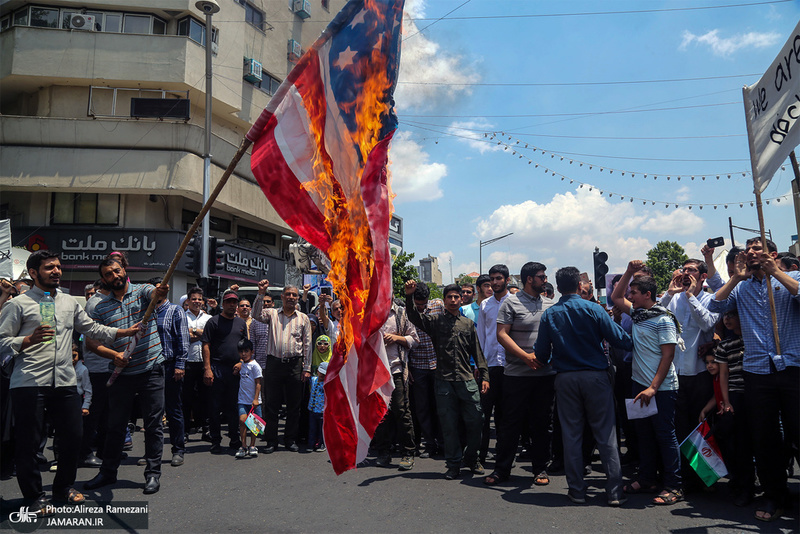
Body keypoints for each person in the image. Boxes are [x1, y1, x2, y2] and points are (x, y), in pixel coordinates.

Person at [0, 251, 139, 513]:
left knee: (74, 437)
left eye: (58, 267)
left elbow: (92, 329)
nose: (56, 271)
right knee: (29, 443)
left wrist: (123, 332)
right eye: (49, 267)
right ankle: (34, 496)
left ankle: (64, 488)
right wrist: (27, 340)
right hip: (29, 381)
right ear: (33, 273)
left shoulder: (68, 302)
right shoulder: (17, 304)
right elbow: (1, 343)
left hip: (65, 381)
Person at [706, 237, 799, 522]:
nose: (751, 252)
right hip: (757, 372)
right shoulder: (742, 288)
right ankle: (774, 496)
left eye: (757, 248)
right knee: (765, 439)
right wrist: (735, 278)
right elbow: (715, 304)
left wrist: (775, 272)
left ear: (771, 253)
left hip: (793, 368)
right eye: (749, 249)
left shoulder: (792, 276)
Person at [535, 267, 633, 506]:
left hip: (566, 378)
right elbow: (621, 340)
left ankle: (577, 490)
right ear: (580, 286)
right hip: (596, 376)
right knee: (607, 435)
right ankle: (614, 492)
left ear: (557, 288)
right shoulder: (595, 309)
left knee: (571, 435)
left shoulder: (550, 314)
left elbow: (541, 352)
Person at [84, 257, 169, 496]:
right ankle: (108, 472)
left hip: (151, 369)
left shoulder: (142, 292)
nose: (115, 276)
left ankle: (153, 474)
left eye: (117, 271)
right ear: (103, 280)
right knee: (115, 426)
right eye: (109, 274)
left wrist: (160, 292)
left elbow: (156, 295)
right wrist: (114, 355)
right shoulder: (99, 307)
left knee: (153, 424)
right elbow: (91, 343)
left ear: (125, 270)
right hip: (120, 374)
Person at [610, 261, 682, 506]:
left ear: (647, 295)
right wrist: (629, 272)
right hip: (638, 385)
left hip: (661, 389)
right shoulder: (639, 315)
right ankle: (648, 479)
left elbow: (668, 355)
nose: (629, 296)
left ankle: (674, 485)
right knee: (644, 435)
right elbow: (615, 296)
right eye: (630, 292)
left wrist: (653, 387)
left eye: (634, 292)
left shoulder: (663, 319)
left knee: (664, 435)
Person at [405, 280, 489, 480]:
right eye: (449, 297)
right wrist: (409, 296)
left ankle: (472, 457)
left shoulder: (468, 324)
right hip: (443, 381)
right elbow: (414, 317)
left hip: (467, 380)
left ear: (461, 300)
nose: (452, 300)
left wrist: (485, 375)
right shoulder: (435, 321)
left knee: (477, 420)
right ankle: (453, 464)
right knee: (449, 425)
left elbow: (477, 352)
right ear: (443, 301)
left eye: (456, 297)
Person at [485, 262, 554, 488]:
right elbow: (502, 335)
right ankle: (501, 469)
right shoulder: (510, 303)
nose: (545, 280)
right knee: (509, 425)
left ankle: (540, 468)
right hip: (515, 375)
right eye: (541, 277)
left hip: (544, 376)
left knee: (541, 424)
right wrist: (526, 357)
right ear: (529, 279)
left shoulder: (550, 304)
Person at [658, 259, 719, 491]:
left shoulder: (710, 298)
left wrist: (691, 296)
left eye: (691, 270)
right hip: (675, 372)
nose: (685, 274)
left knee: (700, 426)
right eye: (683, 270)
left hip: (700, 372)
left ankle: (703, 478)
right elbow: (654, 315)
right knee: (679, 426)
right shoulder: (673, 297)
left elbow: (707, 325)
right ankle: (682, 478)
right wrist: (671, 292)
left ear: (702, 276)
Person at [252, 280, 313, 453]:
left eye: (294, 295)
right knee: (272, 404)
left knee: (294, 406)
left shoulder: (303, 318)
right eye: (288, 294)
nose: (291, 298)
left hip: (295, 365)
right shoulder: (271, 314)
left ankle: (290, 439)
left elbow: (307, 344)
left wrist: (307, 368)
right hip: (274, 364)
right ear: (282, 297)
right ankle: (271, 441)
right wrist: (261, 293)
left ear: (298, 297)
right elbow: (255, 314)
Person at [373, 300, 419, 470]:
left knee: (401, 410)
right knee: (380, 414)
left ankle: (408, 452)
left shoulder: (401, 313)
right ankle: (383, 452)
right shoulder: (369, 313)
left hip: (396, 370)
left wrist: (397, 338)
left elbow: (414, 340)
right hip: (375, 373)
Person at [150, 277, 190, 467]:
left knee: (173, 410)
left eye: (161, 288)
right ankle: (152, 454)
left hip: (170, 366)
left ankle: (178, 449)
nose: (158, 291)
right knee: (152, 414)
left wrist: (180, 365)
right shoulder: (146, 312)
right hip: (149, 367)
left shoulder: (175, 310)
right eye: (154, 289)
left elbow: (183, 340)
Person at [202, 290, 248, 454]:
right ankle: (215, 440)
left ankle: (234, 439)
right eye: (228, 302)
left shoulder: (241, 323)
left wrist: (242, 362)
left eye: (234, 302)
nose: (232, 305)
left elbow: (245, 346)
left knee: (234, 407)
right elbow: (205, 345)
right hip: (217, 369)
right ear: (223, 303)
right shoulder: (213, 322)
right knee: (214, 407)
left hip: (235, 370)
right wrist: (207, 369)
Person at [476, 264, 511, 464]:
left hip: (510, 365)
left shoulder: (515, 302)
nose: (495, 283)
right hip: (489, 366)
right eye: (492, 280)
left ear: (507, 280)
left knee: (505, 414)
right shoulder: (485, 305)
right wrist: (479, 366)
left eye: (499, 278)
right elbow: (480, 336)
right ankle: (480, 455)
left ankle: (503, 453)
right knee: (484, 413)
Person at [406, 282, 443, 458]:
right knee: (422, 408)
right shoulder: (407, 311)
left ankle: (442, 442)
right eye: (417, 304)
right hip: (418, 365)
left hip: (438, 365)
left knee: (440, 406)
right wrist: (408, 367)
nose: (420, 308)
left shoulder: (438, 306)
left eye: (423, 304)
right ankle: (429, 443)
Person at [184, 287, 211, 439]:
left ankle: (206, 429)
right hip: (187, 362)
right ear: (188, 301)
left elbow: (209, 338)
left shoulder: (208, 318)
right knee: (186, 398)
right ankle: (185, 430)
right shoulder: (181, 316)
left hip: (204, 363)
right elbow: (183, 336)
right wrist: (200, 334)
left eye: (199, 299)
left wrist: (194, 332)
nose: (196, 302)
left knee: (205, 397)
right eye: (193, 299)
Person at [234, 339, 262, 459]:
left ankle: (252, 445)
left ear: (252, 352)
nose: (244, 354)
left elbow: (258, 383)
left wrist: (256, 399)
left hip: (253, 402)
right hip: (242, 400)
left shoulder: (255, 366)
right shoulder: (242, 365)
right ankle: (243, 445)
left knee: (253, 425)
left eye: (246, 351)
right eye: (241, 351)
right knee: (242, 421)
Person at [308, 361, 328, 452]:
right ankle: (311, 444)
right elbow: (307, 378)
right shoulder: (313, 380)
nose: (322, 375)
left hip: (322, 411)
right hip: (312, 409)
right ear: (317, 371)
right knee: (312, 428)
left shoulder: (327, 384)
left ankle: (321, 444)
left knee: (321, 430)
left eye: (324, 374)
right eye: (321, 372)